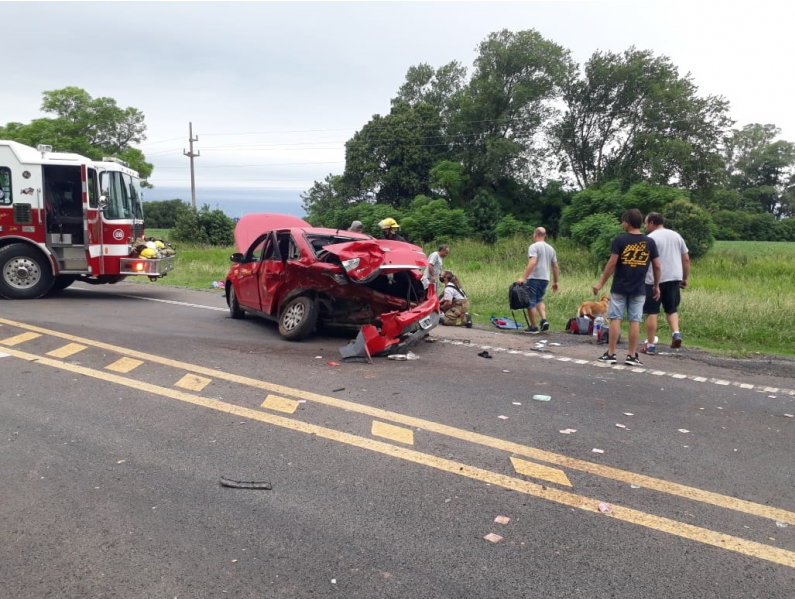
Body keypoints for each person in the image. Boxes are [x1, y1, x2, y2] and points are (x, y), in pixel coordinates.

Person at [592, 209, 661, 366]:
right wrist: (656, 286)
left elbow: (612, 263)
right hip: (639, 288)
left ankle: (611, 353)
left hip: (619, 287)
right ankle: (631, 355)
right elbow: (657, 266)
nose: (622, 224)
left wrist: (601, 283)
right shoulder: (649, 242)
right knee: (634, 320)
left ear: (628, 222)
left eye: (623, 221)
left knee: (615, 318)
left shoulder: (620, 240)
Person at [641, 212, 690, 354]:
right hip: (674, 277)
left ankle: (650, 345)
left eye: (646, 223)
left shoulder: (649, 238)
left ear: (651, 223)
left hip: (654, 279)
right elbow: (686, 259)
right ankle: (676, 332)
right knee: (671, 309)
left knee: (652, 312)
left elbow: (644, 260)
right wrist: (684, 278)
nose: (645, 226)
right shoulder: (676, 236)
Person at [516, 227, 559, 334]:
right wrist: (555, 282)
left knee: (531, 302)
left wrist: (523, 278)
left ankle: (533, 327)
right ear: (545, 235)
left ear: (535, 235)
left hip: (534, 278)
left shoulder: (534, 247)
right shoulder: (551, 248)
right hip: (545, 279)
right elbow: (555, 267)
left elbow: (532, 262)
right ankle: (544, 319)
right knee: (539, 299)